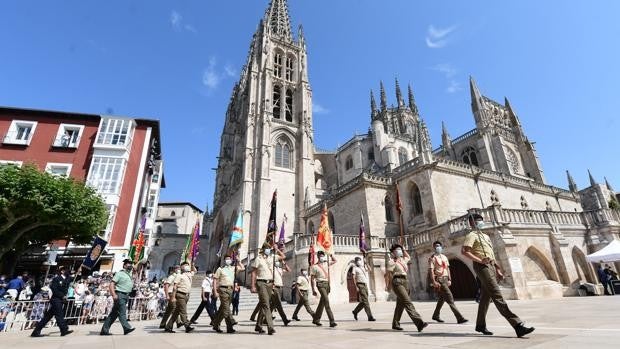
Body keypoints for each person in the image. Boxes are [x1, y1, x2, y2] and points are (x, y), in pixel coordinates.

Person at [461, 213, 534, 338]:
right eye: (477, 220)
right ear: (471, 223)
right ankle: (517, 325)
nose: (480, 222)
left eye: (481, 220)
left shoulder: (485, 236)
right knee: (497, 295)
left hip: (490, 266)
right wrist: (480, 260)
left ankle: (480, 325)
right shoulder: (471, 235)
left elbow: (491, 255)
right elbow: (465, 251)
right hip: (482, 267)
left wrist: (498, 269)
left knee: (485, 297)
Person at [385, 244, 428, 332]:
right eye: (397, 250)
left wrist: (404, 249)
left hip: (405, 281)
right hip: (397, 282)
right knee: (407, 302)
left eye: (400, 249)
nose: (399, 251)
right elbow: (388, 274)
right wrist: (388, 285)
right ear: (393, 252)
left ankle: (395, 324)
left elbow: (408, 256)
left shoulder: (403, 260)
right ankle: (419, 323)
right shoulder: (391, 262)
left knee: (400, 305)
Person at [429, 241, 468, 324]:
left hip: (446, 279)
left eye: (439, 246)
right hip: (439, 279)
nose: (438, 247)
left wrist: (450, 279)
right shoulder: (432, 258)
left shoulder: (444, 257)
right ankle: (459, 317)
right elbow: (431, 271)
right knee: (450, 297)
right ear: (434, 248)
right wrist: (434, 281)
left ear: (441, 247)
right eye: (436, 246)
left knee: (442, 299)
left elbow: (447, 269)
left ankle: (435, 315)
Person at [30, 266, 73, 337]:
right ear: (62, 271)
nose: (68, 271)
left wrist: (79, 272)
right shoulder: (56, 279)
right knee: (59, 315)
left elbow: (72, 278)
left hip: (60, 300)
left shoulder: (67, 279)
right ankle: (64, 330)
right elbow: (54, 289)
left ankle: (36, 331)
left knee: (47, 317)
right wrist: (62, 296)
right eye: (66, 270)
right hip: (56, 299)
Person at [100, 259, 136, 336]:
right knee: (122, 312)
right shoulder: (120, 274)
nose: (130, 265)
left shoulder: (128, 274)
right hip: (120, 295)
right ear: (124, 265)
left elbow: (135, 275)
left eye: (131, 264)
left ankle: (104, 330)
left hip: (126, 295)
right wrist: (113, 295)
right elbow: (111, 284)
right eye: (129, 264)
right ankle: (127, 328)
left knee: (114, 314)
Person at [212, 254, 244, 333]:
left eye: (229, 259)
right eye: (226, 259)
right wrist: (215, 291)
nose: (228, 260)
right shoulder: (220, 269)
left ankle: (215, 324)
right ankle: (231, 322)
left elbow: (243, 268)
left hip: (231, 290)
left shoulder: (233, 268)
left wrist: (238, 261)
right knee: (226, 308)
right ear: (224, 260)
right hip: (223, 289)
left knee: (223, 309)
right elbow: (215, 279)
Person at [251, 243, 277, 335]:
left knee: (263, 305)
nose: (269, 250)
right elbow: (254, 272)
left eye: (269, 248)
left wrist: (276, 249)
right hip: (261, 282)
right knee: (266, 304)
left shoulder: (271, 258)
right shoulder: (258, 259)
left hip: (269, 283)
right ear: (263, 249)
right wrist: (253, 285)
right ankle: (270, 327)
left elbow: (283, 257)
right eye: (267, 248)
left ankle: (258, 325)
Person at [164, 261, 196, 333]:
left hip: (186, 295)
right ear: (182, 267)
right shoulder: (179, 275)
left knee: (176, 312)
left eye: (188, 265)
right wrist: (173, 297)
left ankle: (168, 326)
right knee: (183, 311)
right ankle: (187, 326)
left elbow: (195, 271)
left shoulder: (189, 274)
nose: (187, 266)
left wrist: (193, 265)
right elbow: (175, 287)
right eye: (185, 265)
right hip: (180, 295)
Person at [311, 250, 337, 327]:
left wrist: (331, 254)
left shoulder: (326, 263)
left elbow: (335, 261)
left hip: (327, 284)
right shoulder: (314, 266)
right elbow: (312, 279)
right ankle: (332, 321)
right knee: (326, 301)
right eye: (320, 256)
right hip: (320, 284)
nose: (322, 257)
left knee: (322, 303)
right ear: (318, 257)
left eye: (323, 255)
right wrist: (313, 289)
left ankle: (316, 319)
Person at [271, 248, 291, 326]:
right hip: (275, 287)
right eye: (276, 262)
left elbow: (289, 270)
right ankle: (285, 319)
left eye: (278, 262)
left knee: (272, 305)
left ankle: (264, 319)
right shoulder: (271, 269)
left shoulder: (280, 269)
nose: (277, 263)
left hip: (280, 288)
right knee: (278, 304)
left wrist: (284, 263)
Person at [351, 256, 376, 321]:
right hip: (360, 285)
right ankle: (370, 316)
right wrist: (356, 286)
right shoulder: (354, 268)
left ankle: (355, 311)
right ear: (355, 262)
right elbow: (353, 277)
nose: (359, 261)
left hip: (365, 285)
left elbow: (370, 270)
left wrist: (366, 263)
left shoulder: (362, 267)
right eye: (357, 260)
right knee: (366, 301)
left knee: (364, 301)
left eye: (359, 260)